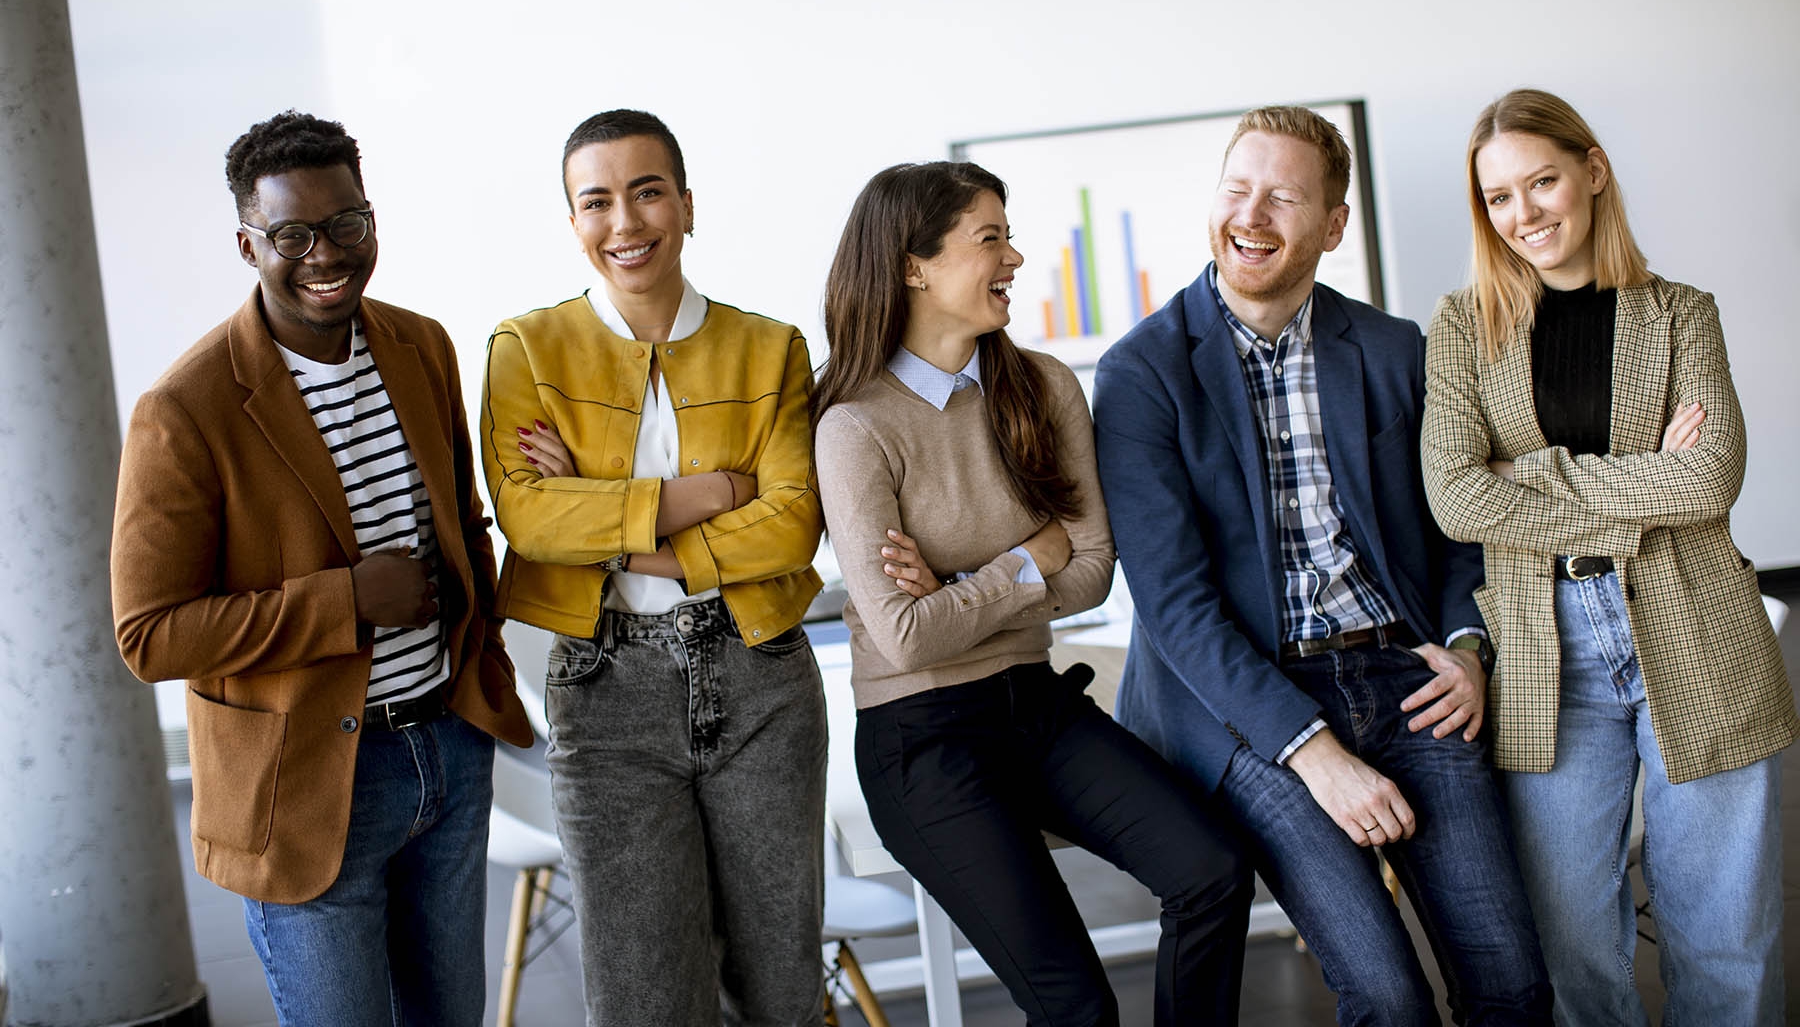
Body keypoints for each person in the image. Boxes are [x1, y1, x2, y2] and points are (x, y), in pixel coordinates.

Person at [1093, 106, 1553, 1025]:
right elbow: (1176, 606)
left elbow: (1458, 531)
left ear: (1333, 226)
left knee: (1512, 985)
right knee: (1387, 997)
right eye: (1237, 189)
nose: (1251, 216)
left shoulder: (1392, 350)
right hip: (1246, 704)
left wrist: (1469, 648)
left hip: (1408, 673)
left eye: (1283, 198)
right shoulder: (1140, 373)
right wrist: (1317, 755)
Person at [111, 110, 531, 1026]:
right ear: (246, 242)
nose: (325, 252)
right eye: (291, 233)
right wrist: (345, 601)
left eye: (347, 223)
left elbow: (458, 520)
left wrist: (479, 650)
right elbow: (148, 636)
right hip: (306, 784)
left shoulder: (422, 346)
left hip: (446, 752)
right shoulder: (185, 409)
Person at [811, 160, 1254, 1027]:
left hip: (1037, 708)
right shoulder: (854, 426)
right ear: (914, 265)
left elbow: (1090, 570)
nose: (1015, 257)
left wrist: (958, 596)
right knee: (1077, 1007)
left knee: (1213, 873)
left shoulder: (1045, 387)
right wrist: (1020, 564)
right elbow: (904, 639)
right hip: (923, 741)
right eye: (991, 239)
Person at [1419, 88, 1798, 1025]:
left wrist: (1534, 475)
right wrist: (1638, 485)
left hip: (1698, 631)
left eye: (1541, 181)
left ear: (1591, 171)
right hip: (1548, 656)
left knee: (1725, 938)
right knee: (1575, 947)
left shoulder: (1681, 314)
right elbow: (1457, 496)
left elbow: (1709, 483)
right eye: (1499, 198)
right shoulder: (1464, 327)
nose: (1524, 214)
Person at [479, 109, 828, 1026]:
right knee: (641, 994)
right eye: (596, 202)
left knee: (779, 986)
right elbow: (526, 513)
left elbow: (792, 527)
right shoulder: (527, 349)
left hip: (762, 677)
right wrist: (712, 489)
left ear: (685, 204)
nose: (624, 223)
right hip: (604, 686)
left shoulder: (771, 347)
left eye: (646, 193)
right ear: (572, 222)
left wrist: (613, 528)